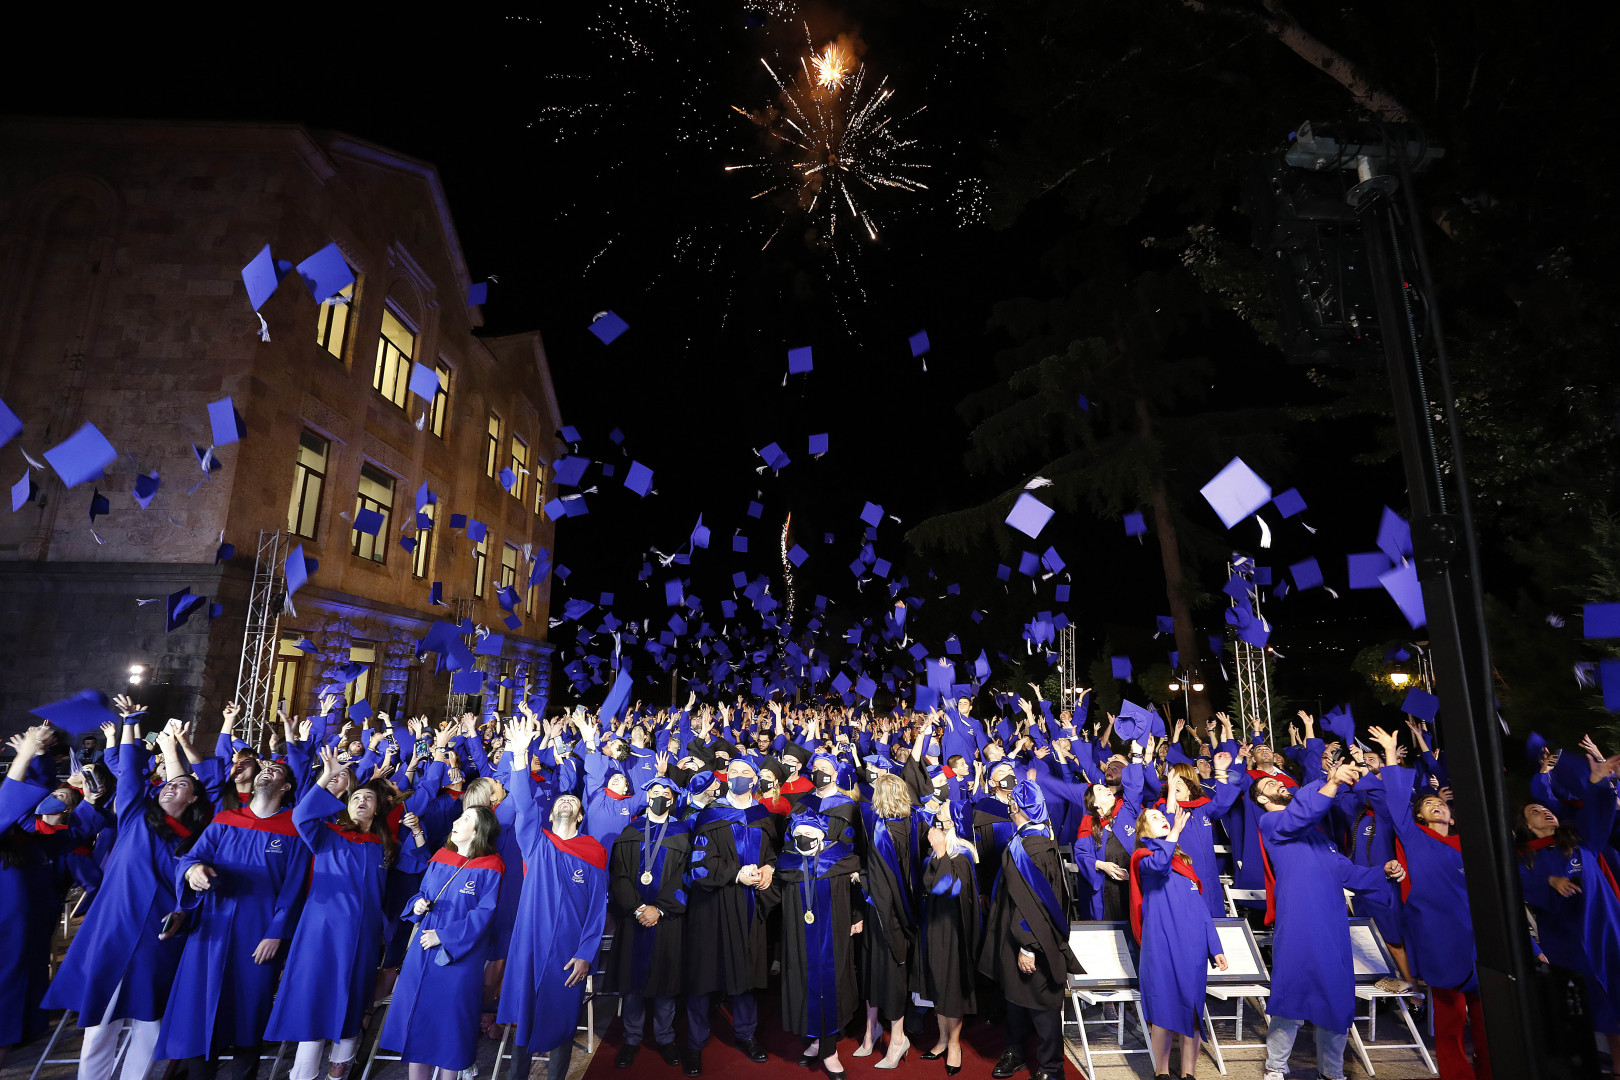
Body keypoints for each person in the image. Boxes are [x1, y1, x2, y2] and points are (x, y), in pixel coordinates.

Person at [45, 712, 211, 1080]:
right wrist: (129, 727)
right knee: (100, 1024)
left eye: (180, 784)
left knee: (148, 1024)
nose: (169, 786)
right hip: (114, 928)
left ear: (194, 796)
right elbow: (131, 775)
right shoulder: (136, 816)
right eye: (167, 782)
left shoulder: (196, 839)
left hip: (158, 934)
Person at [155, 756, 309, 1080]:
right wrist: (193, 871)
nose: (268, 770)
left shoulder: (295, 829)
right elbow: (191, 857)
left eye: (277, 771)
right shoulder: (226, 819)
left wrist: (276, 933)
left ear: (286, 786)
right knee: (200, 1006)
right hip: (212, 929)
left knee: (248, 1012)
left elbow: (295, 889)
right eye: (265, 768)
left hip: (258, 933)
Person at [1253, 763, 1399, 1080]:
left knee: (1335, 1000)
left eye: (1277, 779)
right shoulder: (1272, 823)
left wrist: (1383, 872)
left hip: (1332, 927)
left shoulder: (1320, 838)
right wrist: (1330, 783)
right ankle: (1275, 1067)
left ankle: (1332, 1072)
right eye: (1267, 783)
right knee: (1291, 996)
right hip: (1298, 926)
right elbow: (1300, 815)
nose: (1276, 783)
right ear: (1262, 799)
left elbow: (1346, 872)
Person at [1365, 726, 1489, 1080]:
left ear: (1452, 814)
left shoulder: (1472, 845)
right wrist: (1390, 754)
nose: (1437, 805)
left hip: (1479, 936)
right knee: (1451, 1023)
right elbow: (1398, 800)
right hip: (1441, 939)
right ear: (1419, 818)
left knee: (1488, 1022)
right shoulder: (1416, 839)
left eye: (1441, 803)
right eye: (1428, 804)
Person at [265, 748, 395, 1080]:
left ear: (378, 807)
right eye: (356, 797)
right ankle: (303, 1073)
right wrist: (327, 777)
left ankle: (339, 1070)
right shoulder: (328, 835)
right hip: (322, 932)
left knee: (353, 998)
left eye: (369, 798)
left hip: (363, 936)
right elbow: (300, 816)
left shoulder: (383, 847)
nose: (362, 801)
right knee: (316, 998)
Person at [498, 718, 608, 1080]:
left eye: (571, 800)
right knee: (524, 1019)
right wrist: (518, 755)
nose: (565, 801)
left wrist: (586, 953)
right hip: (530, 942)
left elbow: (596, 910)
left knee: (562, 1018)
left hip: (568, 948)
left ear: (580, 813)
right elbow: (525, 806)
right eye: (561, 798)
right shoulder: (536, 841)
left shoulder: (592, 852)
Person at [379, 805, 506, 1080]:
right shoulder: (440, 856)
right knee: (419, 1024)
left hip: (458, 958)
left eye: (466, 819)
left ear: (479, 831)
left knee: (450, 1031)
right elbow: (422, 892)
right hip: (422, 952)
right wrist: (417, 906)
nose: (457, 822)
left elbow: (484, 915)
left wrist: (444, 936)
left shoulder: (492, 866)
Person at [1, 724, 98, 1067]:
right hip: (8, 918)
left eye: (64, 798)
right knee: (9, 974)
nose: (56, 798)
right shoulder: (17, 827)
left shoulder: (33, 835)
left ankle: (23, 1030)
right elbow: (12, 800)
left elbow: (75, 827)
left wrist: (38, 755)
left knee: (27, 971)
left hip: (35, 916)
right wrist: (27, 754)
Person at [1516, 745, 1620, 1064]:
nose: (1545, 812)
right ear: (1528, 827)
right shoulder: (1526, 858)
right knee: (1585, 1011)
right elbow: (1517, 882)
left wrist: (1599, 781)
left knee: (1616, 999)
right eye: (1535, 811)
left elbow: (1598, 816)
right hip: (1567, 941)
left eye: (1546, 809)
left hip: (1605, 932)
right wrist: (1547, 882)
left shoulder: (1580, 841)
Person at [682, 758, 779, 1075]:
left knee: (744, 974)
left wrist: (769, 869)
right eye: (732, 772)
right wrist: (736, 875)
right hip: (711, 906)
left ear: (754, 781)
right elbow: (698, 866)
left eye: (744, 773)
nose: (737, 776)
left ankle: (746, 1035)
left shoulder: (763, 816)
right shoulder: (710, 816)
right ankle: (695, 1044)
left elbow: (772, 855)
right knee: (703, 976)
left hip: (749, 906)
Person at [981, 782, 1080, 1080]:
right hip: (1013, 936)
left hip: (1031, 939)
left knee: (1041, 1002)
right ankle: (1016, 1051)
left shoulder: (1033, 849)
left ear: (1018, 809)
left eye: (1012, 803)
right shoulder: (1027, 841)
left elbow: (1034, 904)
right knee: (1015, 996)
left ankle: (1051, 1067)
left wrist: (1028, 946)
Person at [1130, 807, 1228, 1080]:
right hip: (1161, 944)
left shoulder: (1183, 862)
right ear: (1143, 831)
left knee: (1194, 1009)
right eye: (1154, 818)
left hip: (1193, 945)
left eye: (1163, 816)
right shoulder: (1143, 858)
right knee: (1163, 1009)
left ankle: (1188, 1074)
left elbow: (1201, 909)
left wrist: (1215, 947)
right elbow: (1159, 866)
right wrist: (1174, 832)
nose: (1162, 819)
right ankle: (1161, 1073)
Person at [768, 809, 864, 1077]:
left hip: (832, 937)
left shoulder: (841, 859)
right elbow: (771, 897)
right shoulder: (787, 864)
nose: (804, 838)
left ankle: (829, 1050)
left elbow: (858, 890)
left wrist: (857, 915)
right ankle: (815, 1040)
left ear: (822, 836)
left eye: (809, 834)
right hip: (798, 938)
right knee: (804, 984)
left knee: (831, 985)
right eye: (799, 834)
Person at [607, 775, 689, 1069]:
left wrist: (660, 909)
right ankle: (631, 1039)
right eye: (653, 791)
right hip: (635, 919)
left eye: (664, 793)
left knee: (665, 982)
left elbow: (686, 878)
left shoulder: (682, 833)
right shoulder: (631, 831)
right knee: (633, 984)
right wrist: (640, 907)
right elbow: (620, 876)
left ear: (671, 799)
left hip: (666, 921)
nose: (658, 796)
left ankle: (666, 1038)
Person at [852, 773, 921, 1066]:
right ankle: (871, 1030)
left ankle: (897, 1038)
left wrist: (860, 879)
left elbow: (882, 883)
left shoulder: (883, 831)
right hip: (895, 910)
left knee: (889, 976)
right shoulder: (912, 823)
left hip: (886, 915)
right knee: (873, 971)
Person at [917, 811, 980, 1075]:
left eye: (943, 820)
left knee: (951, 987)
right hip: (933, 926)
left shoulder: (962, 854)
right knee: (936, 982)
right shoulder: (932, 854)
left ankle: (954, 1044)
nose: (937, 825)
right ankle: (942, 1038)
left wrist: (941, 850)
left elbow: (949, 889)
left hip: (954, 930)